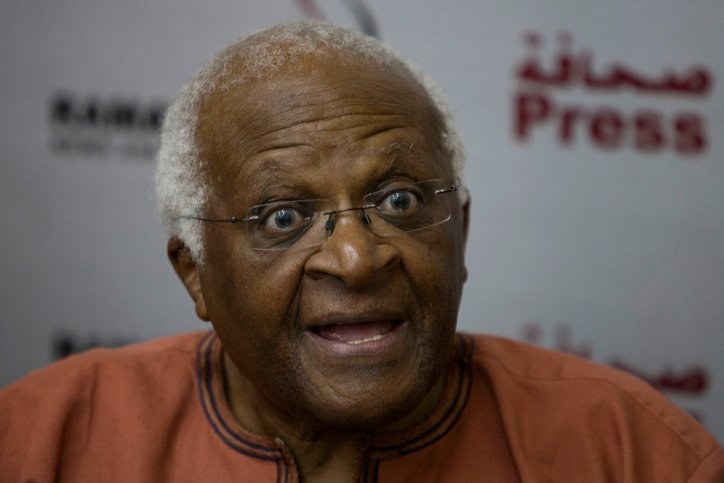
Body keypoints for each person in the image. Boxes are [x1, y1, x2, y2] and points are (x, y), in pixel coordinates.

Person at [1, 20, 722, 482]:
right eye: (283, 215)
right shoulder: (45, 440)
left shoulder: (632, 453)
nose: (355, 257)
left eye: (400, 202)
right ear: (196, 273)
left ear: (460, 234)